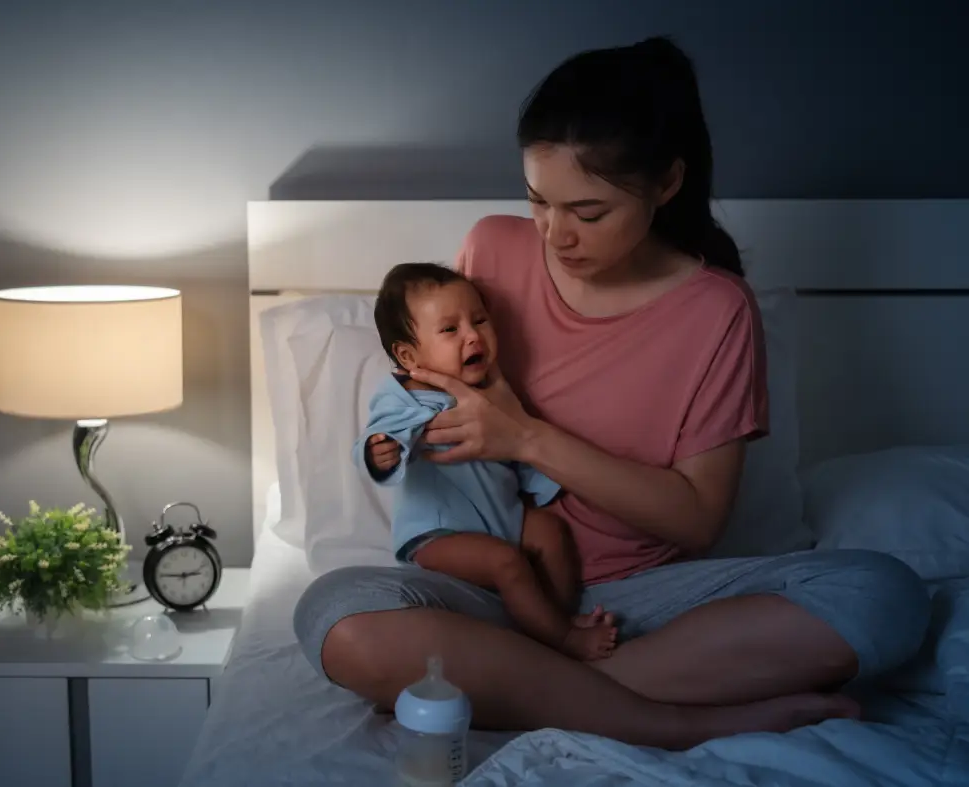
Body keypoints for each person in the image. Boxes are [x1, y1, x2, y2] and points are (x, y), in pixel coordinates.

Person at [293, 36, 930, 750]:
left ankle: (521, 688)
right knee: (333, 612)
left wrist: (527, 437)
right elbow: (429, 408)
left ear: (665, 184)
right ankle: (666, 714)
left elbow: (695, 521)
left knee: (884, 594)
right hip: (493, 590)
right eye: (538, 201)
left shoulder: (716, 312)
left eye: (588, 213)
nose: (555, 235)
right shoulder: (491, 252)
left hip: (641, 603)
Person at [355, 262, 618, 661]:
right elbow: (380, 435)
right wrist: (380, 449)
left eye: (479, 320)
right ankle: (562, 643)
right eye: (450, 329)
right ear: (408, 355)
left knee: (550, 533)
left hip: (504, 517)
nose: (473, 336)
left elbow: (518, 447)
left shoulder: (494, 391)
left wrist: (543, 485)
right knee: (506, 562)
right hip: (438, 534)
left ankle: (555, 618)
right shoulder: (405, 398)